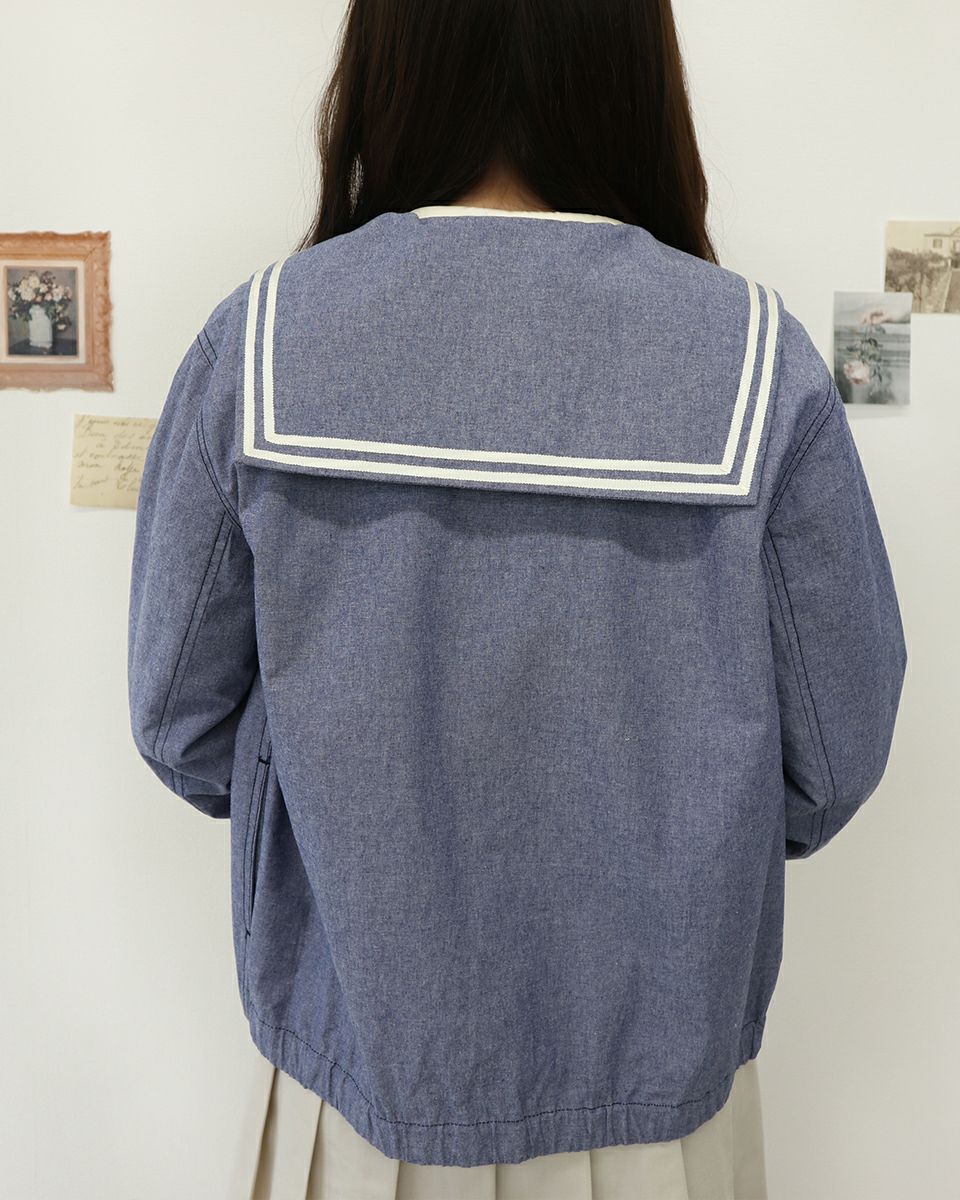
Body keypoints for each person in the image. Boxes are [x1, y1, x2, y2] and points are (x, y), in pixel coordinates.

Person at [126, 1, 908, 1196]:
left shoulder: (264, 340)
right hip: (660, 1113)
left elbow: (179, 724)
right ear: (630, 66)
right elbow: (833, 756)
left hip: (356, 1088)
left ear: (389, 62)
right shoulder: (755, 356)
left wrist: (358, 818)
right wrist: (682, 838)